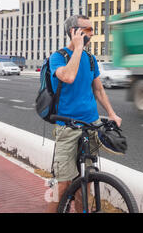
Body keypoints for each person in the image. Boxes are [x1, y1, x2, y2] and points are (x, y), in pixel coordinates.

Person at [45, 14, 122, 213]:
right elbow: (68, 77)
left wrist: (112, 113)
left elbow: (98, 89)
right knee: (62, 187)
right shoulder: (57, 58)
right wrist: (77, 47)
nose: (92, 33)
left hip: (90, 126)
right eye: (87, 30)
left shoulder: (90, 59)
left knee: (85, 186)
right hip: (67, 128)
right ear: (74, 32)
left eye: (92, 29)